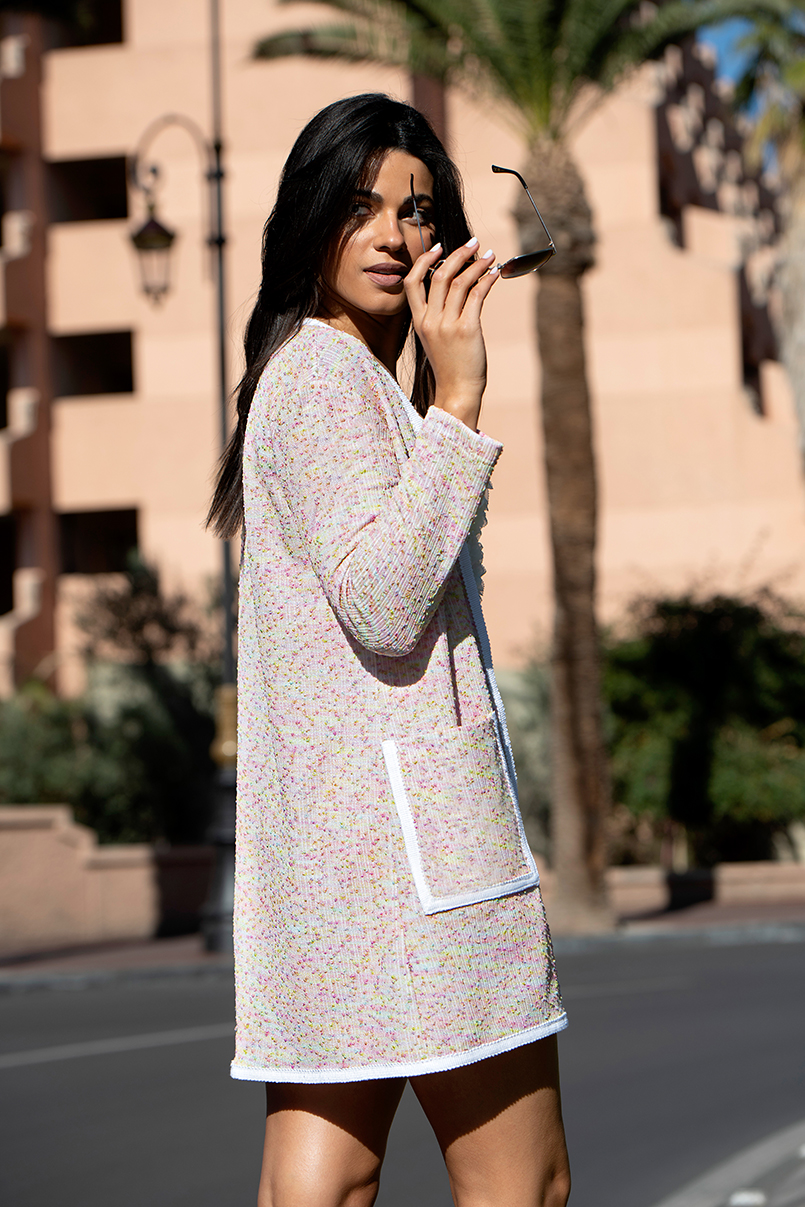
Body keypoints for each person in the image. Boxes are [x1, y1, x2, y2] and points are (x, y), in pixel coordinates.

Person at [208, 93, 570, 1207]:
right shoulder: (324, 377)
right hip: (420, 859)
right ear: (308, 218)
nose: (389, 234)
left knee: (322, 1183)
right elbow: (384, 604)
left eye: (415, 212)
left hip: (332, 862)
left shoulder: (307, 375)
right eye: (357, 204)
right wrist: (458, 398)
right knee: (525, 1186)